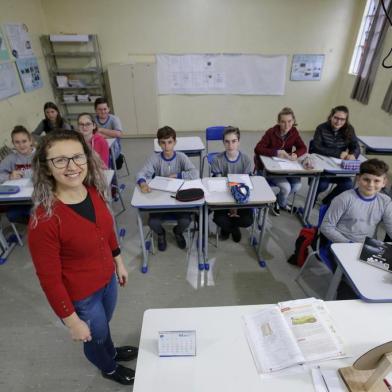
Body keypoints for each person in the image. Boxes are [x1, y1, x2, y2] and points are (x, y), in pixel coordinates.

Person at [28, 130, 137, 386]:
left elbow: (106, 229)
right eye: (60, 160)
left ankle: (109, 351)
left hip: (107, 282)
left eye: (78, 157)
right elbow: (49, 280)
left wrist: (118, 261)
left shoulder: (92, 191)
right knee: (94, 336)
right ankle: (108, 367)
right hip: (82, 296)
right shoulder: (45, 220)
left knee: (102, 327)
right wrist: (72, 321)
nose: (72, 166)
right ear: (46, 168)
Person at [320, 159, 392, 299]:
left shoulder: (385, 201)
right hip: (342, 246)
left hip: (369, 246)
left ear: (384, 182)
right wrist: (350, 245)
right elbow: (326, 227)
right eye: (366, 179)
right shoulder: (344, 198)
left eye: (376, 181)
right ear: (358, 179)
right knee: (353, 283)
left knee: (383, 280)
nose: (371, 185)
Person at [136, 126, 199, 251]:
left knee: (185, 221)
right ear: (159, 143)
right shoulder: (155, 158)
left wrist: (178, 175)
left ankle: (177, 232)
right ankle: (161, 234)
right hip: (160, 199)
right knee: (153, 222)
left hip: (178, 198)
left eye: (170, 142)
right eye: (163, 143)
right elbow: (141, 173)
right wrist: (143, 183)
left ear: (175, 142)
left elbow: (195, 173)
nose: (166, 146)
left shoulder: (181, 157)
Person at [254, 107, 307, 216]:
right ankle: (281, 203)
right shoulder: (271, 132)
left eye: (289, 121)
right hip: (271, 168)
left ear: (293, 121)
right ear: (278, 122)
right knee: (286, 187)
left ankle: (278, 200)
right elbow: (258, 149)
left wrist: (295, 154)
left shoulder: (294, 132)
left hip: (286, 167)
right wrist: (276, 152)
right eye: (283, 122)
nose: (286, 125)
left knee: (297, 186)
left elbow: (303, 147)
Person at [310, 105, 360, 205]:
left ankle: (327, 201)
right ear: (331, 116)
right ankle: (311, 201)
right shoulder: (321, 128)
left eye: (342, 119)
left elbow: (356, 146)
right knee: (322, 185)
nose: (338, 122)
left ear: (346, 120)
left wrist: (353, 155)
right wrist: (337, 153)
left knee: (348, 184)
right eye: (336, 118)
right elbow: (316, 147)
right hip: (322, 168)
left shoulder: (349, 129)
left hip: (338, 167)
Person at [211, 126, 253, 242]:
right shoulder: (217, 160)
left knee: (247, 221)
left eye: (234, 141)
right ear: (223, 142)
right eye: (227, 142)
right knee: (219, 219)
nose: (230, 145)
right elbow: (219, 185)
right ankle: (233, 229)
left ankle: (229, 227)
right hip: (224, 197)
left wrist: (235, 206)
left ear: (238, 142)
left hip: (241, 198)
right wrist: (230, 206)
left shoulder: (246, 160)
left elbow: (245, 186)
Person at [0, 125, 35, 223]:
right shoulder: (10, 159)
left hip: (39, 197)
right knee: (12, 215)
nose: (21, 145)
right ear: (13, 144)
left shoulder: (40, 155)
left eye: (24, 141)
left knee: (37, 213)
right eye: (17, 142)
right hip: (21, 199)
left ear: (30, 141)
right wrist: (9, 176)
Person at [94, 97, 123, 166]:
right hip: (97, 146)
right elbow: (91, 134)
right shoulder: (93, 120)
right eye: (100, 109)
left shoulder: (114, 119)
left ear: (109, 109)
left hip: (113, 148)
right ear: (96, 110)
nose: (103, 112)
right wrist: (109, 135)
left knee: (109, 161)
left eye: (105, 109)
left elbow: (118, 134)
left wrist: (100, 130)